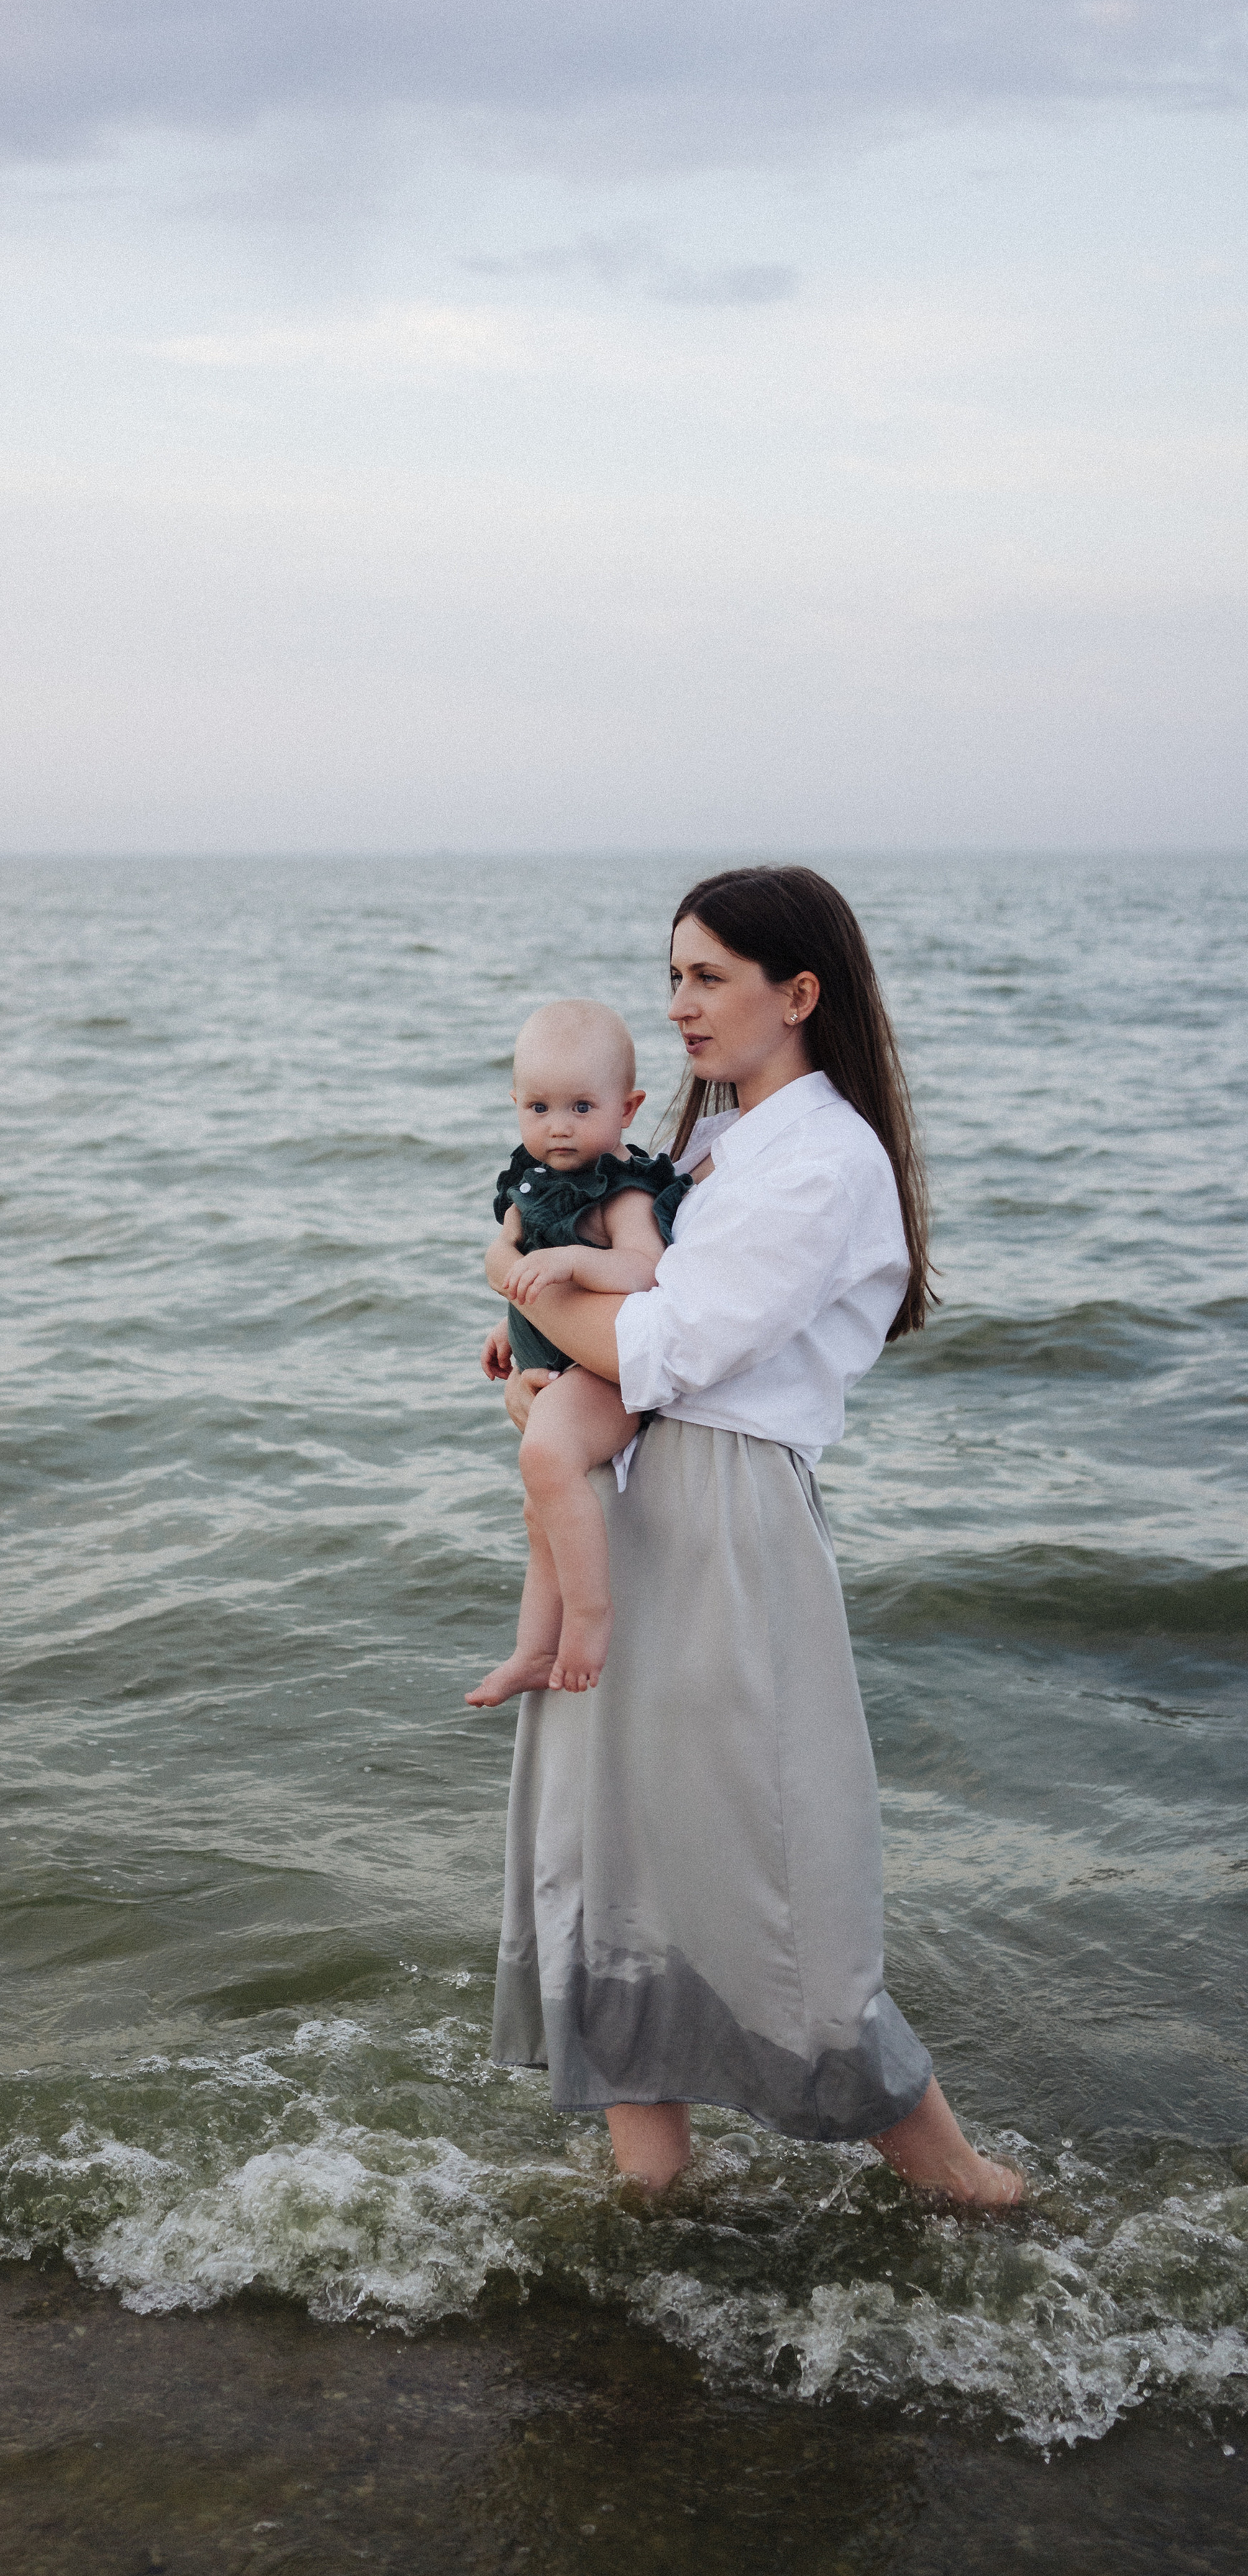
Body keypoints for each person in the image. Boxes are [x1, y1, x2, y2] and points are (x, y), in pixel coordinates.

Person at [475, 866, 1024, 2208]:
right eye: (672, 976)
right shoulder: (713, 1148)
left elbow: (671, 1342)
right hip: (639, 1498)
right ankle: (652, 2193)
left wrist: (510, 1279)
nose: (678, 1006)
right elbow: (620, 1335)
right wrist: (535, 1362)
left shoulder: (826, 1160)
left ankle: (961, 2185)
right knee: (615, 1850)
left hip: (729, 1519)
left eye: (707, 976)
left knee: (772, 1860)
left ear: (799, 992)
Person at [467, 1000, 696, 1705]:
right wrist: (512, 1323)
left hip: (602, 1373)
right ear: (514, 1105)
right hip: (557, 1361)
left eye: (580, 1106)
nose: (557, 1125)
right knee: (540, 1509)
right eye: (537, 1107)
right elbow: (518, 1265)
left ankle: (592, 1616)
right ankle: (534, 1651)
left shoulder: (618, 1187)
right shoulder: (529, 1179)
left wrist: (570, 1263)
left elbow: (643, 1269)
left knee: (544, 1459)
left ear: (627, 1108)